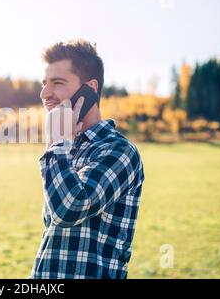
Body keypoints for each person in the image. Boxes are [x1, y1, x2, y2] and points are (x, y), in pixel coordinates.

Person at [29, 39, 145, 279]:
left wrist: (57, 143)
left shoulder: (119, 151)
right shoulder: (66, 148)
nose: (44, 94)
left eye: (57, 83)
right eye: (44, 84)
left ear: (90, 89)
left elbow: (69, 209)